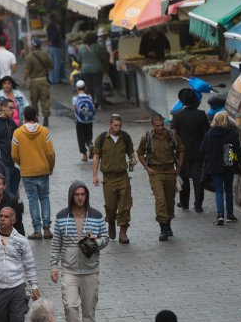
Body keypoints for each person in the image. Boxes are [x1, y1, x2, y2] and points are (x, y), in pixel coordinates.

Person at [50, 181, 109, 322]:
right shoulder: (61, 217)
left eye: (83, 194)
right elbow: (56, 242)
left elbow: (106, 238)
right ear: (71, 196)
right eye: (77, 194)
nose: (80, 197)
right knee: (70, 307)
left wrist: (96, 242)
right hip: (69, 270)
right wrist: (53, 265)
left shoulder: (96, 216)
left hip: (91, 270)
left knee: (89, 310)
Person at [137, 114, 185, 241]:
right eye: (157, 126)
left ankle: (168, 224)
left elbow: (181, 149)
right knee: (160, 200)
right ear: (152, 125)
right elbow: (140, 153)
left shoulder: (171, 135)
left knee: (170, 200)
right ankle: (163, 229)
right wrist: (147, 168)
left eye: (162, 125)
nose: (160, 128)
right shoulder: (147, 138)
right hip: (155, 172)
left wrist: (179, 166)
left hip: (170, 171)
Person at [12, 106, 56, 240]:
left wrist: (23, 164)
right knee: (44, 197)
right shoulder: (44, 131)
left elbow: (14, 154)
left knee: (32, 200)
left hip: (27, 172)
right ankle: (47, 228)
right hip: (43, 170)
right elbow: (50, 153)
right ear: (36, 116)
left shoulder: (17, 133)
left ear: (23, 117)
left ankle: (37, 230)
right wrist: (50, 167)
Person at [93, 114, 136, 244]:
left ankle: (123, 233)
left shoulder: (125, 137)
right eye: (115, 125)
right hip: (109, 178)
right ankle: (111, 221)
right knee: (111, 207)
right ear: (110, 124)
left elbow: (130, 153)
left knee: (125, 205)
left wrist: (133, 159)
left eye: (120, 125)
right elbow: (96, 157)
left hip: (123, 176)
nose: (118, 128)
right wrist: (95, 176)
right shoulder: (101, 138)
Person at [200, 111, 241, 225]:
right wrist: (240, 165)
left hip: (214, 166)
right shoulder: (232, 133)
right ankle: (230, 215)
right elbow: (237, 151)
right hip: (228, 165)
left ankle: (220, 215)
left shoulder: (209, 133)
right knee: (228, 190)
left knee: (219, 191)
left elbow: (202, 149)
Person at [171, 88, 210, 213]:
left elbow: (173, 136)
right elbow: (206, 134)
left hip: (182, 153)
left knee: (184, 178)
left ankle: (184, 203)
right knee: (198, 179)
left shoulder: (177, 116)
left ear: (181, 101)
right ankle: (198, 205)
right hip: (199, 151)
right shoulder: (201, 114)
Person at [0, 98, 21, 195]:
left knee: (13, 193)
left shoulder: (11, 123)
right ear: (2, 107)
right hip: (1, 164)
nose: (13, 111)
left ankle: (13, 209)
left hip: (12, 162)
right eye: (10, 108)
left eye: (14, 108)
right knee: (6, 193)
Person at [24, 38, 54, 126]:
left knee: (34, 101)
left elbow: (27, 71)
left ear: (33, 46)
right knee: (45, 100)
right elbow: (51, 66)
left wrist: (24, 80)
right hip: (44, 80)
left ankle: (35, 118)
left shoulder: (29, 57)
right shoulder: (45, 54)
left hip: (34, 82)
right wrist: (45, 71)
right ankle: (46, 119)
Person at [78, 32, 110, 107]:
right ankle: (100, 104)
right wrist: (106, 68)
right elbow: (103, 58)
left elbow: (79, 59)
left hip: (85, 70)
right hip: (97, 69)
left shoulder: (81, 48)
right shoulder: (98, 47)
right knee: (97, 86)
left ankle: (90, 104)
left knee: (88, 87)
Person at [72, 80, 96, 162]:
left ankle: (84, 155)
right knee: (89, 134)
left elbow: (75, 109)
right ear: (85, 88)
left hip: (79, 122)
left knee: (81, 137)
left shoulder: (75, 98)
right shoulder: (89, 97)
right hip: (89, 121)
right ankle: (90, 144)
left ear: (77, 89)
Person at [46, 13, 66, 84]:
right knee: (57, 63)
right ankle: (56, 79)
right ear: (54, 18)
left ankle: (54, 79)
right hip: (56, 46)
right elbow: (54, 36)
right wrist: (52, 41)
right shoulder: (53, 26)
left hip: (52, 46)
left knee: (53, 63)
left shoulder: (50, 26)